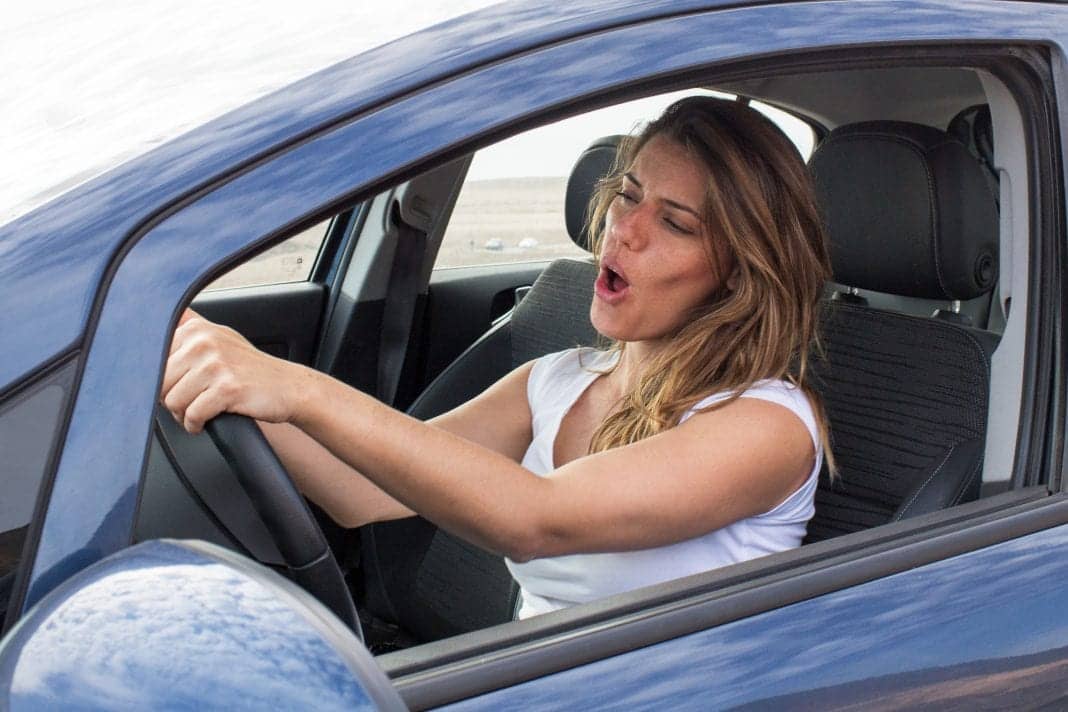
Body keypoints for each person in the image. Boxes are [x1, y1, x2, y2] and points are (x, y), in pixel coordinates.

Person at [161, 96, 833, 620]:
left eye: (676, 223)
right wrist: (198, 355)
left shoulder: (767, 425)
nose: (623, 229)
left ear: (738, 272)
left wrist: (298, 389)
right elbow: (359, 490)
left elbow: (535, 519)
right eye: (628, 195)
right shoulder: (557, 379)